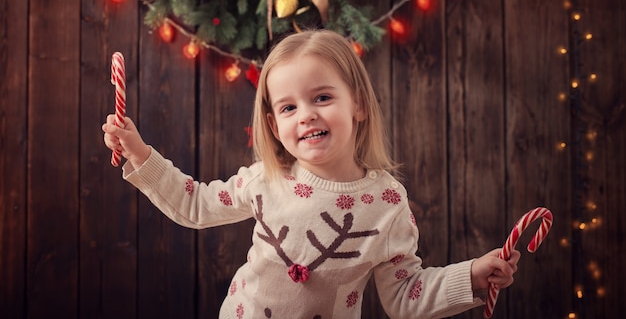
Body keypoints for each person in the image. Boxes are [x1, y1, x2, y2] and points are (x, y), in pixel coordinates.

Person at [102, 30, 520, 318]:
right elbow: (195, 204)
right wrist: (139, 152)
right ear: (272, 124)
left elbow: (403, 296)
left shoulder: (387, 203)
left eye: (322, 97)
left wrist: (469, 276)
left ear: (357, 105)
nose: (307, 115)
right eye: (288, 107)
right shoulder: (266, 180)